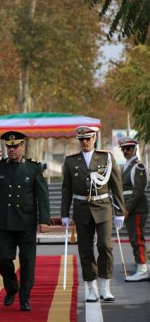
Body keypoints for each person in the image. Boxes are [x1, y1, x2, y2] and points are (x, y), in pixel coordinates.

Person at [0, 131, 50, 312]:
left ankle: (24, 297)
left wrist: (44, 220)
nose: (12, 150)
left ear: (22, 147)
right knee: (2, 259)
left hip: (26, 222)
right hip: (6, 222)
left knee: (27, 262)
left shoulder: (33, 168)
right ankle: (11, 287)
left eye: (16, 146)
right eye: (9, 147)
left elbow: (42, 195)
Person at [60, 126, 125, 302]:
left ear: (94, 138)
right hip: (81, 208)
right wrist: (64, 213)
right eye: (81, 139)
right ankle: (91, 288)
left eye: (88, 138)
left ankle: (105, 286)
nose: (85, 142)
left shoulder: (106, 157)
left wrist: (120, 211)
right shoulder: (71, 161)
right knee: (85, 250)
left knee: (105, 246)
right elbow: (66, 189)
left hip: (103, 206)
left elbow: (116, 185)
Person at [118, 137, 149, 282]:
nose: (125, 151)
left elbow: (138, 190)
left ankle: (142, 268)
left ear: (134, 149)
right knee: (134, 238)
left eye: (128, 148)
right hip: (129, 207)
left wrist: (127, 208)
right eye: (123, 149)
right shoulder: (126, 166)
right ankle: (143, 265)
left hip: (136, 208)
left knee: (137, 238)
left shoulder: (138, 166)